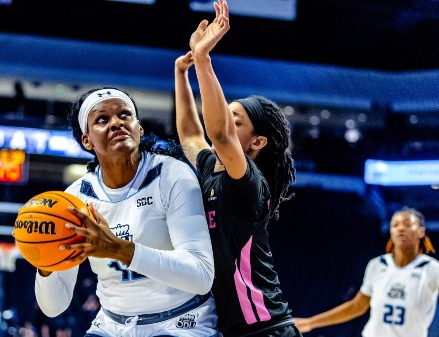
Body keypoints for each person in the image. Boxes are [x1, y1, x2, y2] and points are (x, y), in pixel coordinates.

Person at [34, 87, 218, 336]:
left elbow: (201, 275)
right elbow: (54, 306)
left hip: (182, 320)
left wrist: (118, 249)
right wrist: (44, 260)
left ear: (139, 128)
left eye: (124, 115)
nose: (116, 123)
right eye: (102, 119)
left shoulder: (171, 174)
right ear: (86, 140)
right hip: (113, 325)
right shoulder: (76, 198)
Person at [175, 1, 299, 336]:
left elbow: (218, 133)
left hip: (266, 328)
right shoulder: (210, 168)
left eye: (236, 120)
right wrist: (181, 72)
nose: (225, 121)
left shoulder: (250, 185)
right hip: (233, 330)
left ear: (257, 142)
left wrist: (203, 59)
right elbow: (190, 135)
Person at [293, 207, 439, 337]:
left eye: (408, 225)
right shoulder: (377, 265)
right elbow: (357, 306)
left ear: (421, 231)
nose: (401, 229)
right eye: (395, 225)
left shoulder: (431, 268)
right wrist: (310, 323)